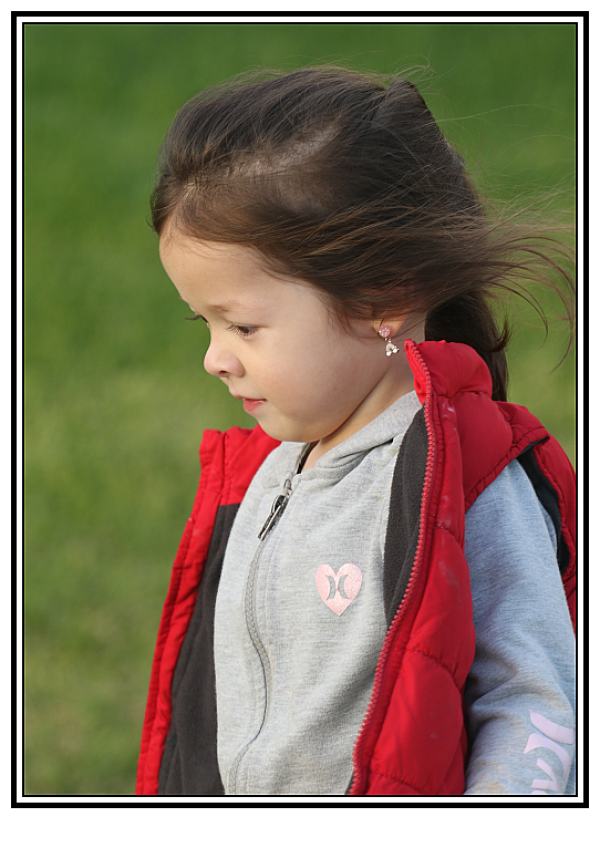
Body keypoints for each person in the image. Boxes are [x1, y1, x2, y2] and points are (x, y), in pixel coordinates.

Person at [136, 68, 576, 797]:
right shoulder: (268, 473)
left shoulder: (462, 480)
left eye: (242, 326)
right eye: (205, 323)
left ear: (384, 298)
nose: (215, 358)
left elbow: (536, 705)